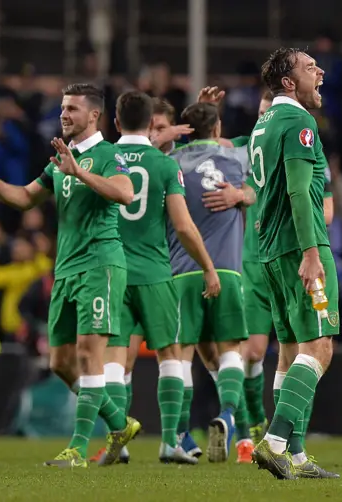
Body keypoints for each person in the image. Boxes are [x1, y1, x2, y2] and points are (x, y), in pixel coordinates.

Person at [0, 83, 140, 468]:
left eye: (73, 108)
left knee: (87, 354)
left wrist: (80, 172)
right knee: (61, 362)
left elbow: (125, 193)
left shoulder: (108, 154)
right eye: (63, 107)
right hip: (66, 270)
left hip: (100, 264)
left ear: (94, 115)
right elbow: (26, 196)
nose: (64, 114)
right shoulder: (61, 158)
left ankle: (76, 449)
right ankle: (119, 423)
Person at [203, 89, 335, 449]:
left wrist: (248, 196)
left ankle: (287, 443)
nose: (265, 120)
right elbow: (211, 145)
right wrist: (209, 112)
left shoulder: (291, 143)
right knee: (295, 349)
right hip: (271, 259)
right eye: (261, 114)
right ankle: (266, 433)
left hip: (277, 254)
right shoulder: (264, 139)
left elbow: (324, 209)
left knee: (292, 350)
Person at [102, 90, 220, 465]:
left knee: (116, 361)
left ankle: (116, 439)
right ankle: (171, 440)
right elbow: (184, 227)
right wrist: (207, 265)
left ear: (116, 122)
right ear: (150, 121)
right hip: (155, 271)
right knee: (171, 355)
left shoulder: (102, 158)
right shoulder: (167, 166)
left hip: (113, 272)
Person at [247, 47, 340, 480]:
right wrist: (312, 253)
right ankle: (275, 441)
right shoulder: (299, 122)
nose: (319, 72)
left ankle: (298, 459)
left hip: (270, 252)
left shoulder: (262, 123)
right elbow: (301, 193)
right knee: (320, 347)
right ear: (289, 83)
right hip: (299, 249)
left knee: (289, 352)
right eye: (309, 67)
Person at [169, 102, 255, 463]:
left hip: (182, 269)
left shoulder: (169, 162)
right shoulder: (236, 159)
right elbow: (255, 187)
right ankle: (230, 414)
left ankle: (180, 434)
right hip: (229, 269)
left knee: (182, 355)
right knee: (231, 349)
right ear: (218, 127)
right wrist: (240, 195)